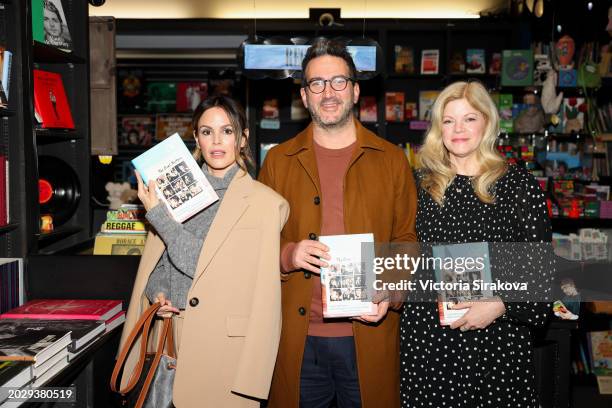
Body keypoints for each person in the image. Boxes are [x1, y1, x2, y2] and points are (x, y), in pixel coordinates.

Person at [258, 39, 417, 408]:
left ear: (356, 90)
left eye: (338, 81)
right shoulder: (278, 162)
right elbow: (257, 243)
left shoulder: (392, 160)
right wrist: (288, 254)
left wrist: (390, 292)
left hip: (368, 337)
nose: (328, 92)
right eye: (317, 83)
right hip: (297, 341)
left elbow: (407, 237)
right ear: (304, 95)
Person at [118, 95, 289, 407]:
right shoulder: (173, 193)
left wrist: (158, 214)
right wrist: (159, 293)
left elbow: (209, 266)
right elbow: (159, 265)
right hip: (171, 337)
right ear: (196, 137)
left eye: (227, 131)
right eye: (207, 132)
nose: (217, 141)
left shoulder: (266, 204)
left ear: (243, 137)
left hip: (223, 346)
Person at [400, 81, 553, 408]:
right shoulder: (419, 185)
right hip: (428, 341)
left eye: (469, 118)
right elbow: (403, 254)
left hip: (494, 341)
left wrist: (500, 305)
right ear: (438, 127)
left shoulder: (516, 185)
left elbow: (541, 275)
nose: (458, 129)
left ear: (487, 123)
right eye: (449, 120)